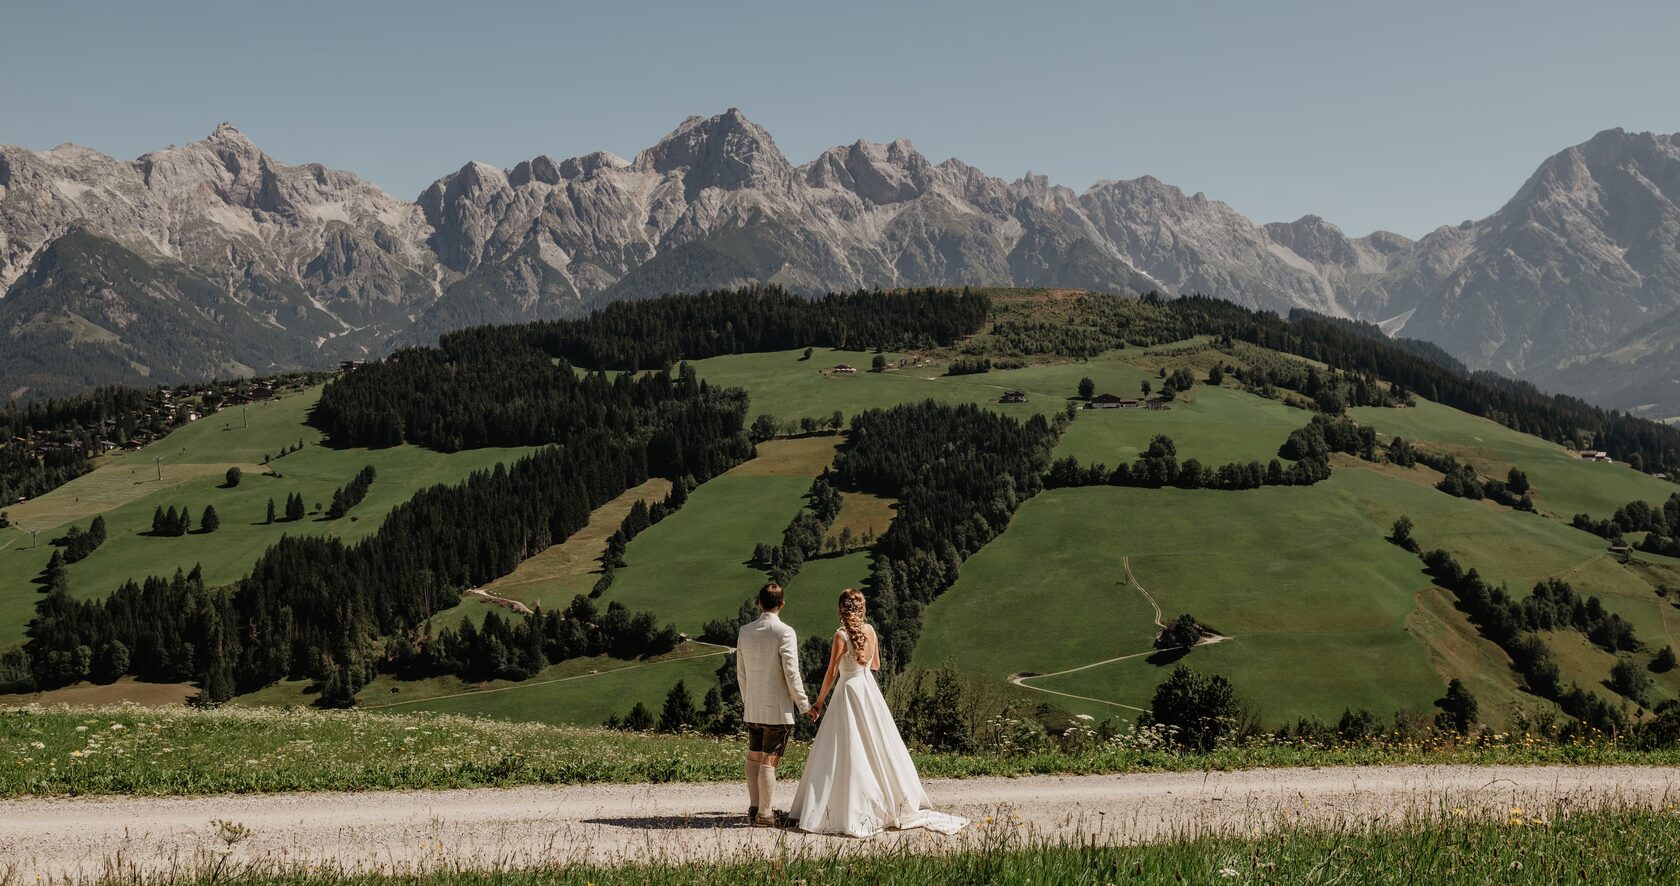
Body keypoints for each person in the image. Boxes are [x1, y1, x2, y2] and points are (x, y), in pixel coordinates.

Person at [788, 588, 967, 837]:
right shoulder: (870, 631)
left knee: (846, 747)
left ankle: (841, 805)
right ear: (862, 609)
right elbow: (876, 665)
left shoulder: (840, 636)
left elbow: (830, 673)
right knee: (878, 743)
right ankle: (888, 799)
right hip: (866, 688)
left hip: (847, 689)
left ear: (841, 609)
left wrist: (818, 703)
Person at [735, 582, 813, 827]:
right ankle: (766, 815)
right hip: (777, 709)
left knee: (754, 755)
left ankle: (755, 808)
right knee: (770, 759)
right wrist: (805, 705)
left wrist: (748, 701)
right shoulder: (784, 632)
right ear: (782, 604)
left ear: (760, 603)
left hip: (754, 706)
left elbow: (741, 673)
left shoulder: (745, 631)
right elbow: (792, 674)